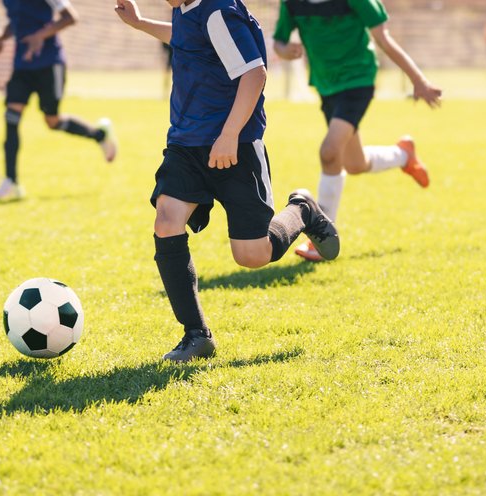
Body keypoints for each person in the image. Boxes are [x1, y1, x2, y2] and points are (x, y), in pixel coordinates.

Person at [114, 0, 340, 362]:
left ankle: (302, 210)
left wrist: (230, 134)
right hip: (186, 144)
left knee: (251, 255)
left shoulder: (219, 10)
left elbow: (254, 74)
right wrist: (140, 23)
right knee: (166, 221)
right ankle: (196, 335)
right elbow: (188, 39)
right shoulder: (185, 8)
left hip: (235, 146)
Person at [272, 0, 442, 261]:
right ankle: (403, 155)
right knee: (354, 163)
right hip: (326, 84)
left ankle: (321, 238)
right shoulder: (292, 3)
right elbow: (279, 42)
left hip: (357, 80)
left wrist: (418, 80)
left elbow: (383, 39)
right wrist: (286, 51)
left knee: (329, 152)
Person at [0, 0, 119, 200]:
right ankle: (11, 181)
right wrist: (2, 37)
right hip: (22, 66)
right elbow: (17, 19)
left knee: (52, 121)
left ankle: (100, 135)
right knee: (11, 119)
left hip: (49, 64)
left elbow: (70, 17)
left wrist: (39, 36)